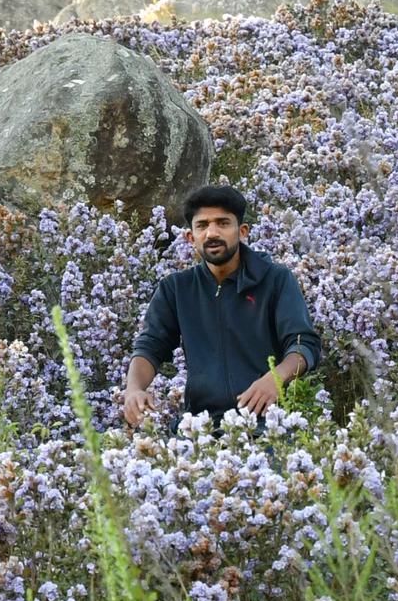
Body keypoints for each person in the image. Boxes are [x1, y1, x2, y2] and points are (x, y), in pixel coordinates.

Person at [123, 185, 321, 432]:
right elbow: (150, 347)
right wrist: (133, 390)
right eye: (202, 225)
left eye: (223, 223)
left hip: (267, 426)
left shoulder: (276, 280)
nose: (212, 233)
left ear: (242, 231)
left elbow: (304, 344)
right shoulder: (176, 288)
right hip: (200, 429)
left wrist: (275, 379)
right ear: (190, 237)